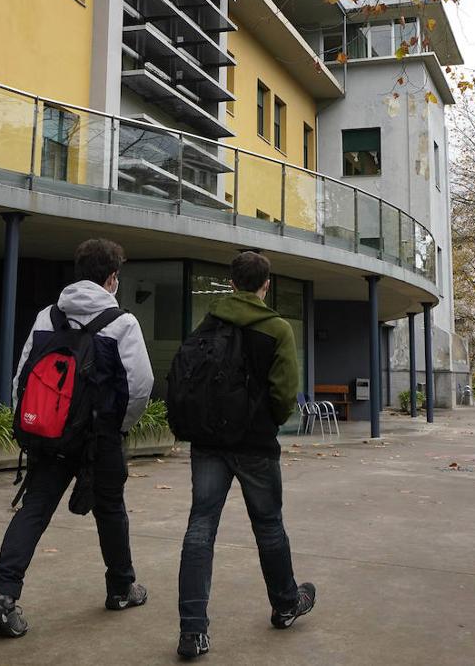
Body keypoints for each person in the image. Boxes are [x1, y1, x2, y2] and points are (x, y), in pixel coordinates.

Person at [0, 238, 154, 638]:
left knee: (34, 510)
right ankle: (121, 588)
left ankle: (2, 597)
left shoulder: (47, 316)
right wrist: (120, 426)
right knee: (110, 511)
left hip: (51, 436)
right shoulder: (122, 322)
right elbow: (140, 386)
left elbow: (22, 378)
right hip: (101, 437)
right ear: (112, 278)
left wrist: (36, 424)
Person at [175, 251, 316, 659]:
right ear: (265, 285)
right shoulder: (277, 328)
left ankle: (193, 632)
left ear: (232, 283)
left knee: (200, 527)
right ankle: (286, 603)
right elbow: (284, 393)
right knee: (269, 526)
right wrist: (265, 422)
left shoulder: (208, 319)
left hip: (208, 443)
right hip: (255, 444)